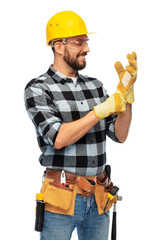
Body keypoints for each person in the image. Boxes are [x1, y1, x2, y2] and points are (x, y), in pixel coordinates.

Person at [24, 10, 137, 240]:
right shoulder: (38, 88)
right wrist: (98, 112)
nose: (86, 48)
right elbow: (58, 138)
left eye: (86, 41)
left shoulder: (96, 86)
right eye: (79, 42)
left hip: (99, 196)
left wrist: (126, 102)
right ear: (58, 45)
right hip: (62, 197)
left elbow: (120, 134)